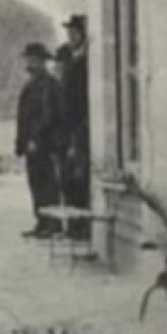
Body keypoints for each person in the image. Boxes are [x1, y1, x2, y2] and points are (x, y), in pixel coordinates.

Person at [14, 42, 65, 239]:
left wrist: (36, 138)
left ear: (41, 62)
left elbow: (48, 116)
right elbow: (24, 117)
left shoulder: (49, 85)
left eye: (32, 59)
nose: (29, 63)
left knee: (47, 184)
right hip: (32, 145)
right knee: (36, 183)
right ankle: (42, 221)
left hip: (45, 144)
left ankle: (53, 223)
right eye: (28, 59)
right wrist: (22, 142)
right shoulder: (31, 85)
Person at [54, 15, 91, 241]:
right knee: (68, 180)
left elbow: (77, 103)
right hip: (67, 131)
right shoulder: (70, 61)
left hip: (78, 130)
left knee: (78, 179)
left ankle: (80, 228)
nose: (71, 36)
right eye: (69, 33)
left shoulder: (83, 63)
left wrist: (76, 136)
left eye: (75, 32)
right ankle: (73, 227)